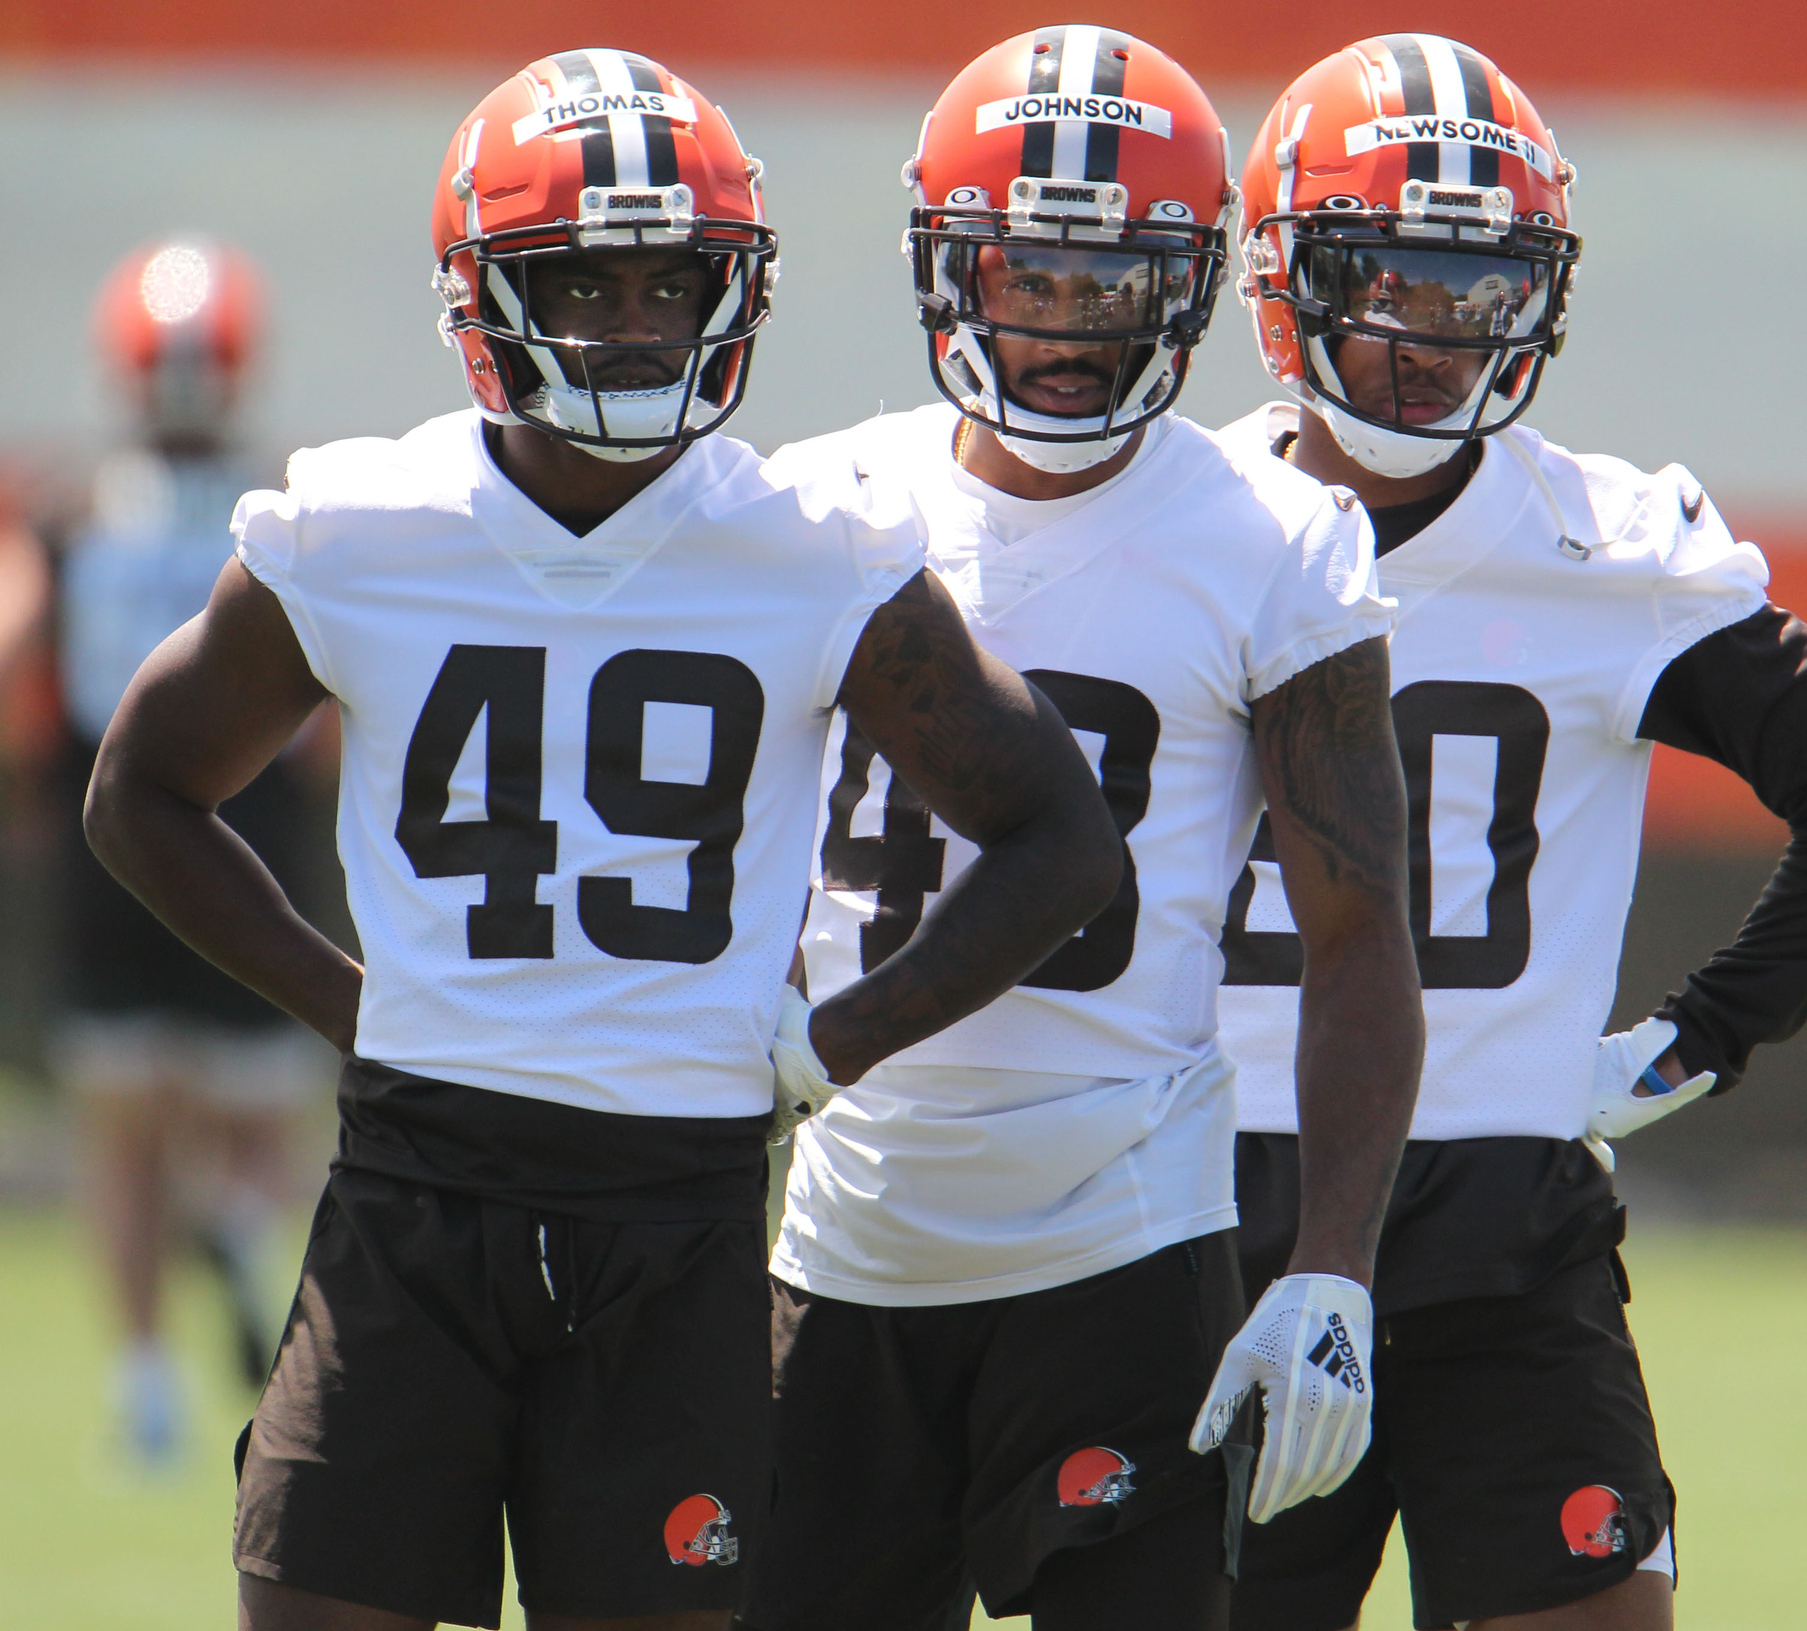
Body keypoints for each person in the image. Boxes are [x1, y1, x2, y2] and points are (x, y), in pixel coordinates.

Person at [84, 48, 1121, 1631]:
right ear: (484, 295)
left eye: (675, 282)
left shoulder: (810, 547)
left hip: (677, 1207)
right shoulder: (361, 528)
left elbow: (1060, 834)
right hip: (413, 1191)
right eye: (590, 285)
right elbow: (140, 792)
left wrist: (834, 1038)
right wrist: (350, 1002)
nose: (640, 327)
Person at [1215, 35, 1807, 1631]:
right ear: (1286, 275)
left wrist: (1691, 1041)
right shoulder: (1183, 527)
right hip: (1214, 1197)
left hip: (1500, 1203)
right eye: (1388, 276)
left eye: (1477, 287)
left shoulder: (1601, 545)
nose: (1432, 331)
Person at [740, 29, 1422, 1631]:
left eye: (1113, 283)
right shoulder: (820, 500)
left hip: (1122, 1229)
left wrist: (1331, 1260)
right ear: (947, 265)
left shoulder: (1272, 536)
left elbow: (1358, 927)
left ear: (1190, 288)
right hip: (847, 1222)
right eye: (1027, 276)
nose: (1062, 328)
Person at [52, 239, 333, 1468]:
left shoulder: (74, 514)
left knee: (119, 1126)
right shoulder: (277, 513)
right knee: (262, 1130)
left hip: (105, 832)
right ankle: (234, 1216)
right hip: (248, 841)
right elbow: (322, 724)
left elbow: (23, 666)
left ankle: (144, 1379)